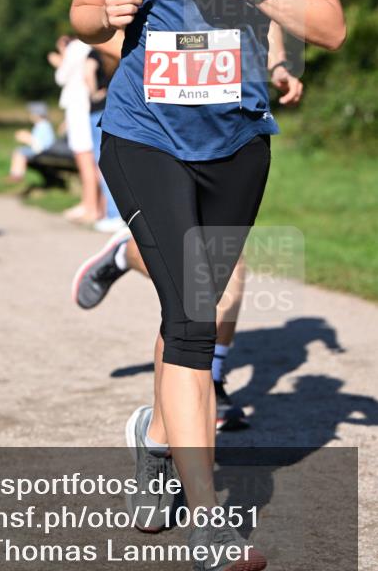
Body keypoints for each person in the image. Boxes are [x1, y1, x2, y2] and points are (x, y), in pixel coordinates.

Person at [69, 0, 345, 571]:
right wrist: (101, 13)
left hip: (234, 141)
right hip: (142, 131)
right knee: (193, 314)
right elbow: (83, 9)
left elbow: (330, 24)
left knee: (203, 306)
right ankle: (209, 527)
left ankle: (152, 440)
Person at [73, 23, 304, 432]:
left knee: (227, 267)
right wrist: (170, 55)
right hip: (154, 131)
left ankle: (210, 376)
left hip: (227, 133)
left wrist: (279, 64)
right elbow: (93, 24)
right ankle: (191, 403)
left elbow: (267, 9)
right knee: (194, 284)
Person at [48, 34, 100, 223]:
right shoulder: (94, 46)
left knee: (84, 158)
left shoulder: (74, 48)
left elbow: (61, 77)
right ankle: (92, 205)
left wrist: (60, 58)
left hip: (78, 107)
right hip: (88, 107)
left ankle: (91, 208)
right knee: (92, 159)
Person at [85, 45, 123, 233]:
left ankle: (113, 214)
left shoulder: (94, 53)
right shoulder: (121, 48)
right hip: (118, 109)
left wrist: (93, 93)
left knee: (103, 163)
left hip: (98, 110)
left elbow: (88, 72)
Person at [6, 102, 56, 182]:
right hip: (42, 149)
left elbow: (39, 144)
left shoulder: (43, 126)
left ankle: (17, 174)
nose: (30, 116)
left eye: (32, 113)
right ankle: (16, 173)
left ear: (37, 115)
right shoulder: (42, 125)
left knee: (20, 152)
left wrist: (26, 138)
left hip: (43, 150)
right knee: (19, 151)